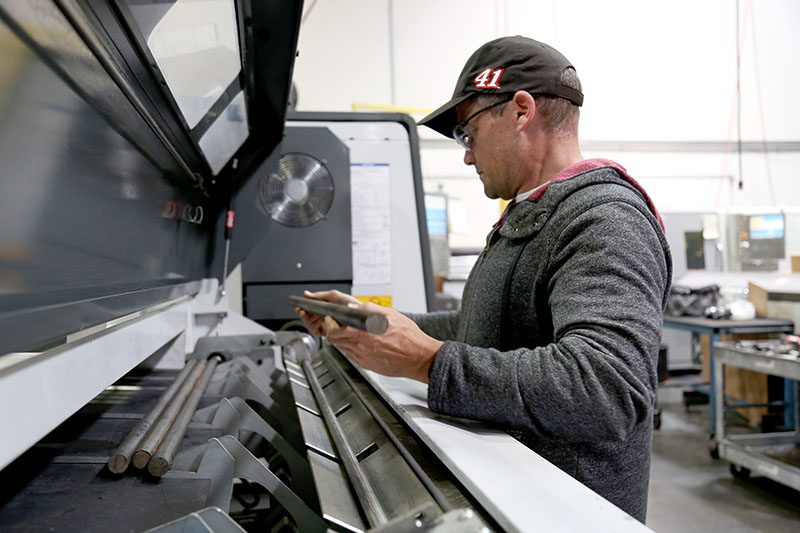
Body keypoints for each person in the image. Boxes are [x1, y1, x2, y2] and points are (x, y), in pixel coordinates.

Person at [296, 35, 672, 523]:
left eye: (467, 133)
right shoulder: (531, 215)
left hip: (563, 513)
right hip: (509, 495)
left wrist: (428, 362)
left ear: (521, 111)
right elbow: (480, 326)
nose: (467, 157)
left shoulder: (604, 219)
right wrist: (376, 325)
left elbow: (605, 387)